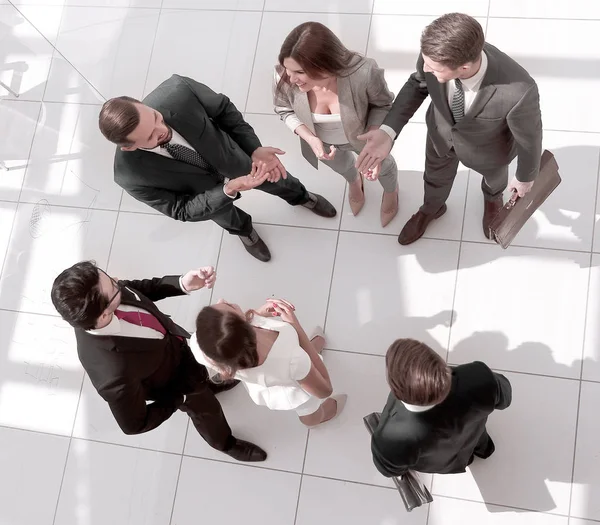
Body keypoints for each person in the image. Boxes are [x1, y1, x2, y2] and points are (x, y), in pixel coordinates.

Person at [99, 75, 337, 263]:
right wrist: (229, 189)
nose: (162, 129)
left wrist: (253, 148)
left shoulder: (179, 90)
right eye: (150, 136)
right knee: (227, 218)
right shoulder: (129, 176)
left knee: (279, 180)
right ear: (130, 148)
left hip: (236, 158)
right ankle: (245, 231)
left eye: (155, 117)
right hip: (204, 198)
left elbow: (224, 111)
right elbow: (180, 209)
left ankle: (302, 197)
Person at [50, 261, 267, 462]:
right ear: (104, 315)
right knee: (207, 409)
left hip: (181, 346)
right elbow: (134, 425)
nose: (119, 281)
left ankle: (211, 384)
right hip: (177, 383)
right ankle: (225, 443)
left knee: (204, 371)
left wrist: (181, 283)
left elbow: (136, 290)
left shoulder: (108, 291)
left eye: (109, 277)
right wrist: (180, 397)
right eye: (115, 286)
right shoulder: (111, 374)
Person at [356, 13, 542, 244]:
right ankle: (432, 208)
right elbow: (417, 84)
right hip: (440, 137)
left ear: (463, 67)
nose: (426, 68)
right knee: (434, 178)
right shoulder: (434, 54)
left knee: (495, 181)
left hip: (490, 151)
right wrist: (388, 132)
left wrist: (525, 177)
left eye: (433, 69)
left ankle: (492, 198)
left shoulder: (519, 90)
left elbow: (529, 139)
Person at [273, 22, 399, 227]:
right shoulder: (284, 75)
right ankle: (354, 182)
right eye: (288, 69)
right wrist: (310, 137)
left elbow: (383, 104)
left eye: (300, 72)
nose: (291, 78)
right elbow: (283, 109)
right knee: (343, 167)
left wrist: (374, 137)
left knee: (384, 168)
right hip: (322, 143)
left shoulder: (364, 73)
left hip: (363, 139)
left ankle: (391, 192)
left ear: (323, 65)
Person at [191, 298, 346, 427]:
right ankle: (317, 420)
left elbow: (230, 337)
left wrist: (256, 315)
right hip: (296, 387)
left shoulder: (201, 346)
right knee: (308, 410)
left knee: (306, 360)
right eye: (229, 306)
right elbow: (325, 390)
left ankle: (311, 351)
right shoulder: (294, 360)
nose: (222, 299)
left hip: (271, 383)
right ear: (243, 329)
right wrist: (296, 328)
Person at [371, 338, 512, 477]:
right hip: (474, 433)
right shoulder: (478, 378)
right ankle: (485, 450)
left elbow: (390, 470)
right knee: (479, 441)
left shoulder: (389, 440)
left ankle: (469, 459)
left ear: (397, 391)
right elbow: (505, 398)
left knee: (463, 458)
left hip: (444, 463)